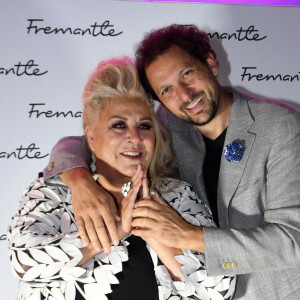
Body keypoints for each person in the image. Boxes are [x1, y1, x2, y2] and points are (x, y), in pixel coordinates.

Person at [43, 24, 300, 300]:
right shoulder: (172, 125)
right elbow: (79, 142)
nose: (185, 95)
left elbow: (292, 241)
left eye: (187, 74)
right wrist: (80, 180)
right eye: (166, 90)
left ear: (211, 63)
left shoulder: (279, 125)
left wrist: (187, 235)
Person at [8, 57, 236, 300]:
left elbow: (220, 291)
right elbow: (24, 261)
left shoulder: (177, 195)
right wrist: (116, 229)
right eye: (119, 125)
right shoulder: (56, 190)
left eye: (145, 126)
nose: (134, 137)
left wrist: (153, 230)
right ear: (91, 135)